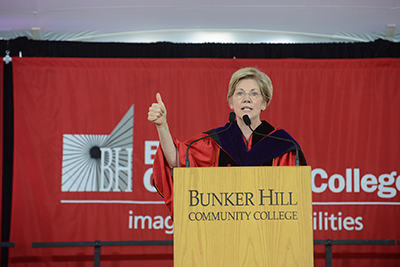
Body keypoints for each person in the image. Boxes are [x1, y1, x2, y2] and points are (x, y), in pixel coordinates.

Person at [147, 67, 306, 216]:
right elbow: (178, 162)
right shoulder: (215, 142)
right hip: (221, 234)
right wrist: (162, 126)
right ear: (231, 102)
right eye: (240, 93)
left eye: (254, 94)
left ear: (264, 103)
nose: (246, 99)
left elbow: (294, 201)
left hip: (270, 235)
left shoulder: (282, 146)